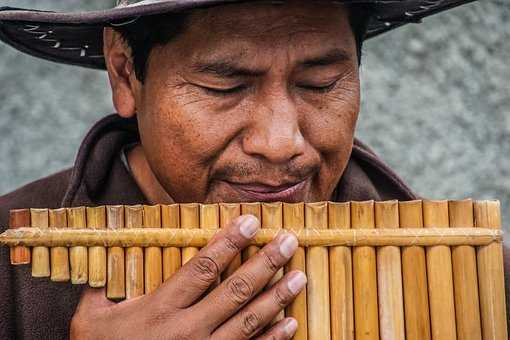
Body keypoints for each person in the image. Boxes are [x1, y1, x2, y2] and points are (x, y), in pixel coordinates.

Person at [0, 0, 503, 339]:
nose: (280, 143)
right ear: (125, 72)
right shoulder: (9, 274)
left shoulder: (480, 284)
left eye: (322, 83)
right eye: (226, 87)